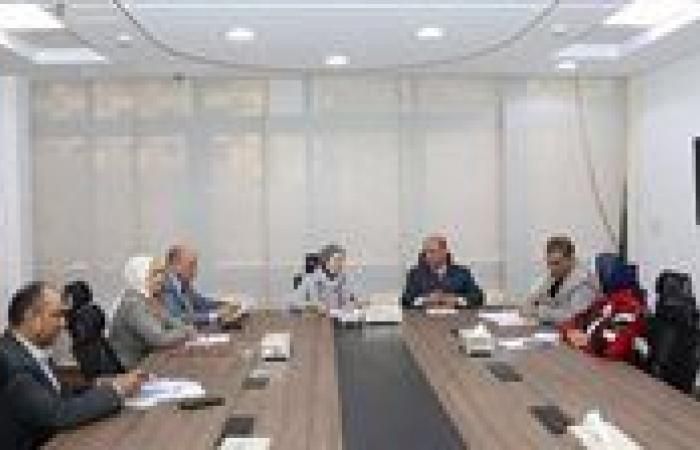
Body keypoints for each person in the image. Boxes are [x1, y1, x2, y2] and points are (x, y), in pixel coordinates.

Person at [0, 282, 143, 450]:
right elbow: (58, 413)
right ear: (33, 319)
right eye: (57, 315)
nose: (63, 323)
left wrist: (98, 384)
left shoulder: (26, 349)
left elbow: (55, 391)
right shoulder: (13, 364)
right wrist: (117, 390)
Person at [109, 256, 193, 370]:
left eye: (162, 273)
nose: (161, 278)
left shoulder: (149, 299)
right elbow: (160, 339)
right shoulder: (133, 304)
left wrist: (184, 329)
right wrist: (187, 332)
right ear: (141, 277)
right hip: (130, 370)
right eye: (155, 274)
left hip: (148, 363)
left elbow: (174, 323)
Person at [560, 262, 646, 361]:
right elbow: (576, 320)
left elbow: (614, 348)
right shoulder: (604, 301)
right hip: (583, 357)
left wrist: (586, 343)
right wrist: (570, 332)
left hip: (606, 366)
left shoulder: (630, 310)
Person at [522, 236, 598, 325]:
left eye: (556, 263)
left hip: (577, 329)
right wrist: (534, 307)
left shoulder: (584, 282)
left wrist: (540, 311)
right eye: (549, 263)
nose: (551, 268)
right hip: (553, 326)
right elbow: (531, 301)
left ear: (571, 260)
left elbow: (572, 316)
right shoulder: (556, 276)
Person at [401, 235, 484, 309]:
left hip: (456, 319)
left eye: (432, 251)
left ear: (444, 252)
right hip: (425, 319)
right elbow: (405, 300)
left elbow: (478, 298)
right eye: (425, 252)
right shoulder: (415, 274)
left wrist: (456, 300)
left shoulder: (462, 273)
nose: (428, 256)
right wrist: (425, 300)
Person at [163, 245, 221, 326]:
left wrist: (223, 305)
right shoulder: (166, 288)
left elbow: (201, 302)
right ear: (176, 265)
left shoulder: (183, 285)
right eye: (191, 265)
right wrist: (215, 316)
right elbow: (179, 317)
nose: (195, 272)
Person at [296, 244, 359, 311]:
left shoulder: (342, 278)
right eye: (337, 260)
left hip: (339, 314)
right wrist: (316, 307)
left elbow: (348, 298)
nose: (341, 263)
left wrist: (356, 302)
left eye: (342, 260)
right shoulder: (311, 279)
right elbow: (298, 303)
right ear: (326, 261)